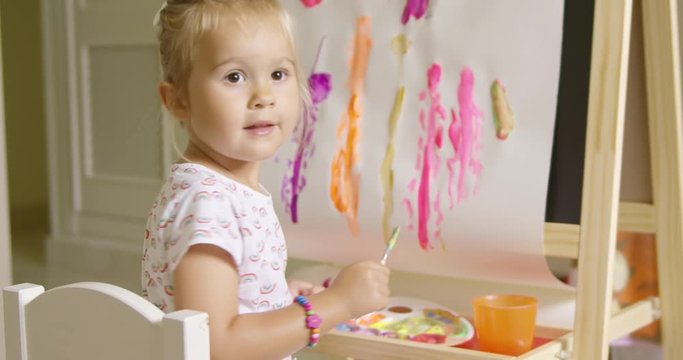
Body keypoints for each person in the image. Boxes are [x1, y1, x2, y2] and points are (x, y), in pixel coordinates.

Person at [141, 1, 391, 359]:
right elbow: (215, 344)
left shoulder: (222, 190)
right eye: (234, 76)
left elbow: (228, 309)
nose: (263, 97)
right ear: (178, 100)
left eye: (278, 74)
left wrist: (278, 298)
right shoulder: (208, 203)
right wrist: (339, 303)